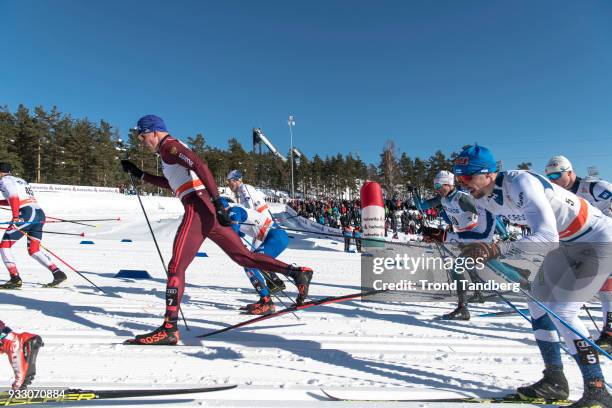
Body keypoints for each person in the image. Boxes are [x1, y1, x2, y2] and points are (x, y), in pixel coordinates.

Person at [120, 115, 313, 345]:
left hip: (198, 207)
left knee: (176, 266)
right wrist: (139, 174)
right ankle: (296, 272)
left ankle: (169, 328)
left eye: (142, 136)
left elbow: (200, 165)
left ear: (153, 132)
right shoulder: (167, 153)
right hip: (206, 209)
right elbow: (172, 183)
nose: (142, 141)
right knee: (244, 257)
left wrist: (218, 202)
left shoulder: (170, 146)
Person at [454, 145, 612, 408]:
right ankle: (554, 381)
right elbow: (481, 235)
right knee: (537, 303)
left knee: (564, 310)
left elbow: (546, 237)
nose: (463, 184)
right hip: (569, 242)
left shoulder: (520, 182)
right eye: (459, 179)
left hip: (599, 240)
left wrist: (496, 249)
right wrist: (451, 239)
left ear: (488, 173)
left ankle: (597, 390)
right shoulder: (483, 197)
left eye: (467, 177)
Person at [545, 155, 612, 353]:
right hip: (584, 246)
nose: (554, 180)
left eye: (557, 174)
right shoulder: (558, 197)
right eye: (550, 177)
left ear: (570, 172)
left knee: (606, 287)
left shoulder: (594, 187)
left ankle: (609, 333)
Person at [414, 171, 497, 320]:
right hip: (461, 237)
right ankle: (479, 294)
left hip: (474, 237)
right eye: (435, 186)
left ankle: (463, 308)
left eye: (439, 185)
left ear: (449, 184)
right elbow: (421, 206)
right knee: (474, 266)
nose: (437, 189)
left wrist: (502, 234)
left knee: (459, 267)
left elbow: (489, 212)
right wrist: (414, 193)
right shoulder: (443, 198)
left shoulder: (462, 198)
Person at [0, 163, 67, 289]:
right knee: (34, 250)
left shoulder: (4, 180)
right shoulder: (19, 180)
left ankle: (15, 278)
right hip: (38, 213)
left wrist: (15, 217)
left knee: (4, 246)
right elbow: (18, 198)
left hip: (26, 214)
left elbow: (14, 198)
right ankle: (58, 274)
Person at [222, 198, 289, 315]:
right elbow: (240, 232)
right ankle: (267, 296)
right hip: (274, 236)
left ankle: (267, 301)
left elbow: (234, 230)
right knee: (251, 264)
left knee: (250, 264)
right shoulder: (233, 213)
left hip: (275, 236)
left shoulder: (234, 211)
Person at [226, 170, 285, 292]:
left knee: (254, 258)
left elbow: (252, 209)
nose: (228, 184)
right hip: (260, 226)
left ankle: (273, 283)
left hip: (262, 226)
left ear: (236, 180)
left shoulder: (244, 188)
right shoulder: (242, 191)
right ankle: (273, 281)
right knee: (257, 256)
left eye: (229, 181)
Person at [0, 320, 43, 389]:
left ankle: (20, 389)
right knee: (26, 375)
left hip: (23, 342)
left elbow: (18, 367)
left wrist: (17, 387)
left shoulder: (12, 346)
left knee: (23, 378)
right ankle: (21, 386)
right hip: (28, 339)